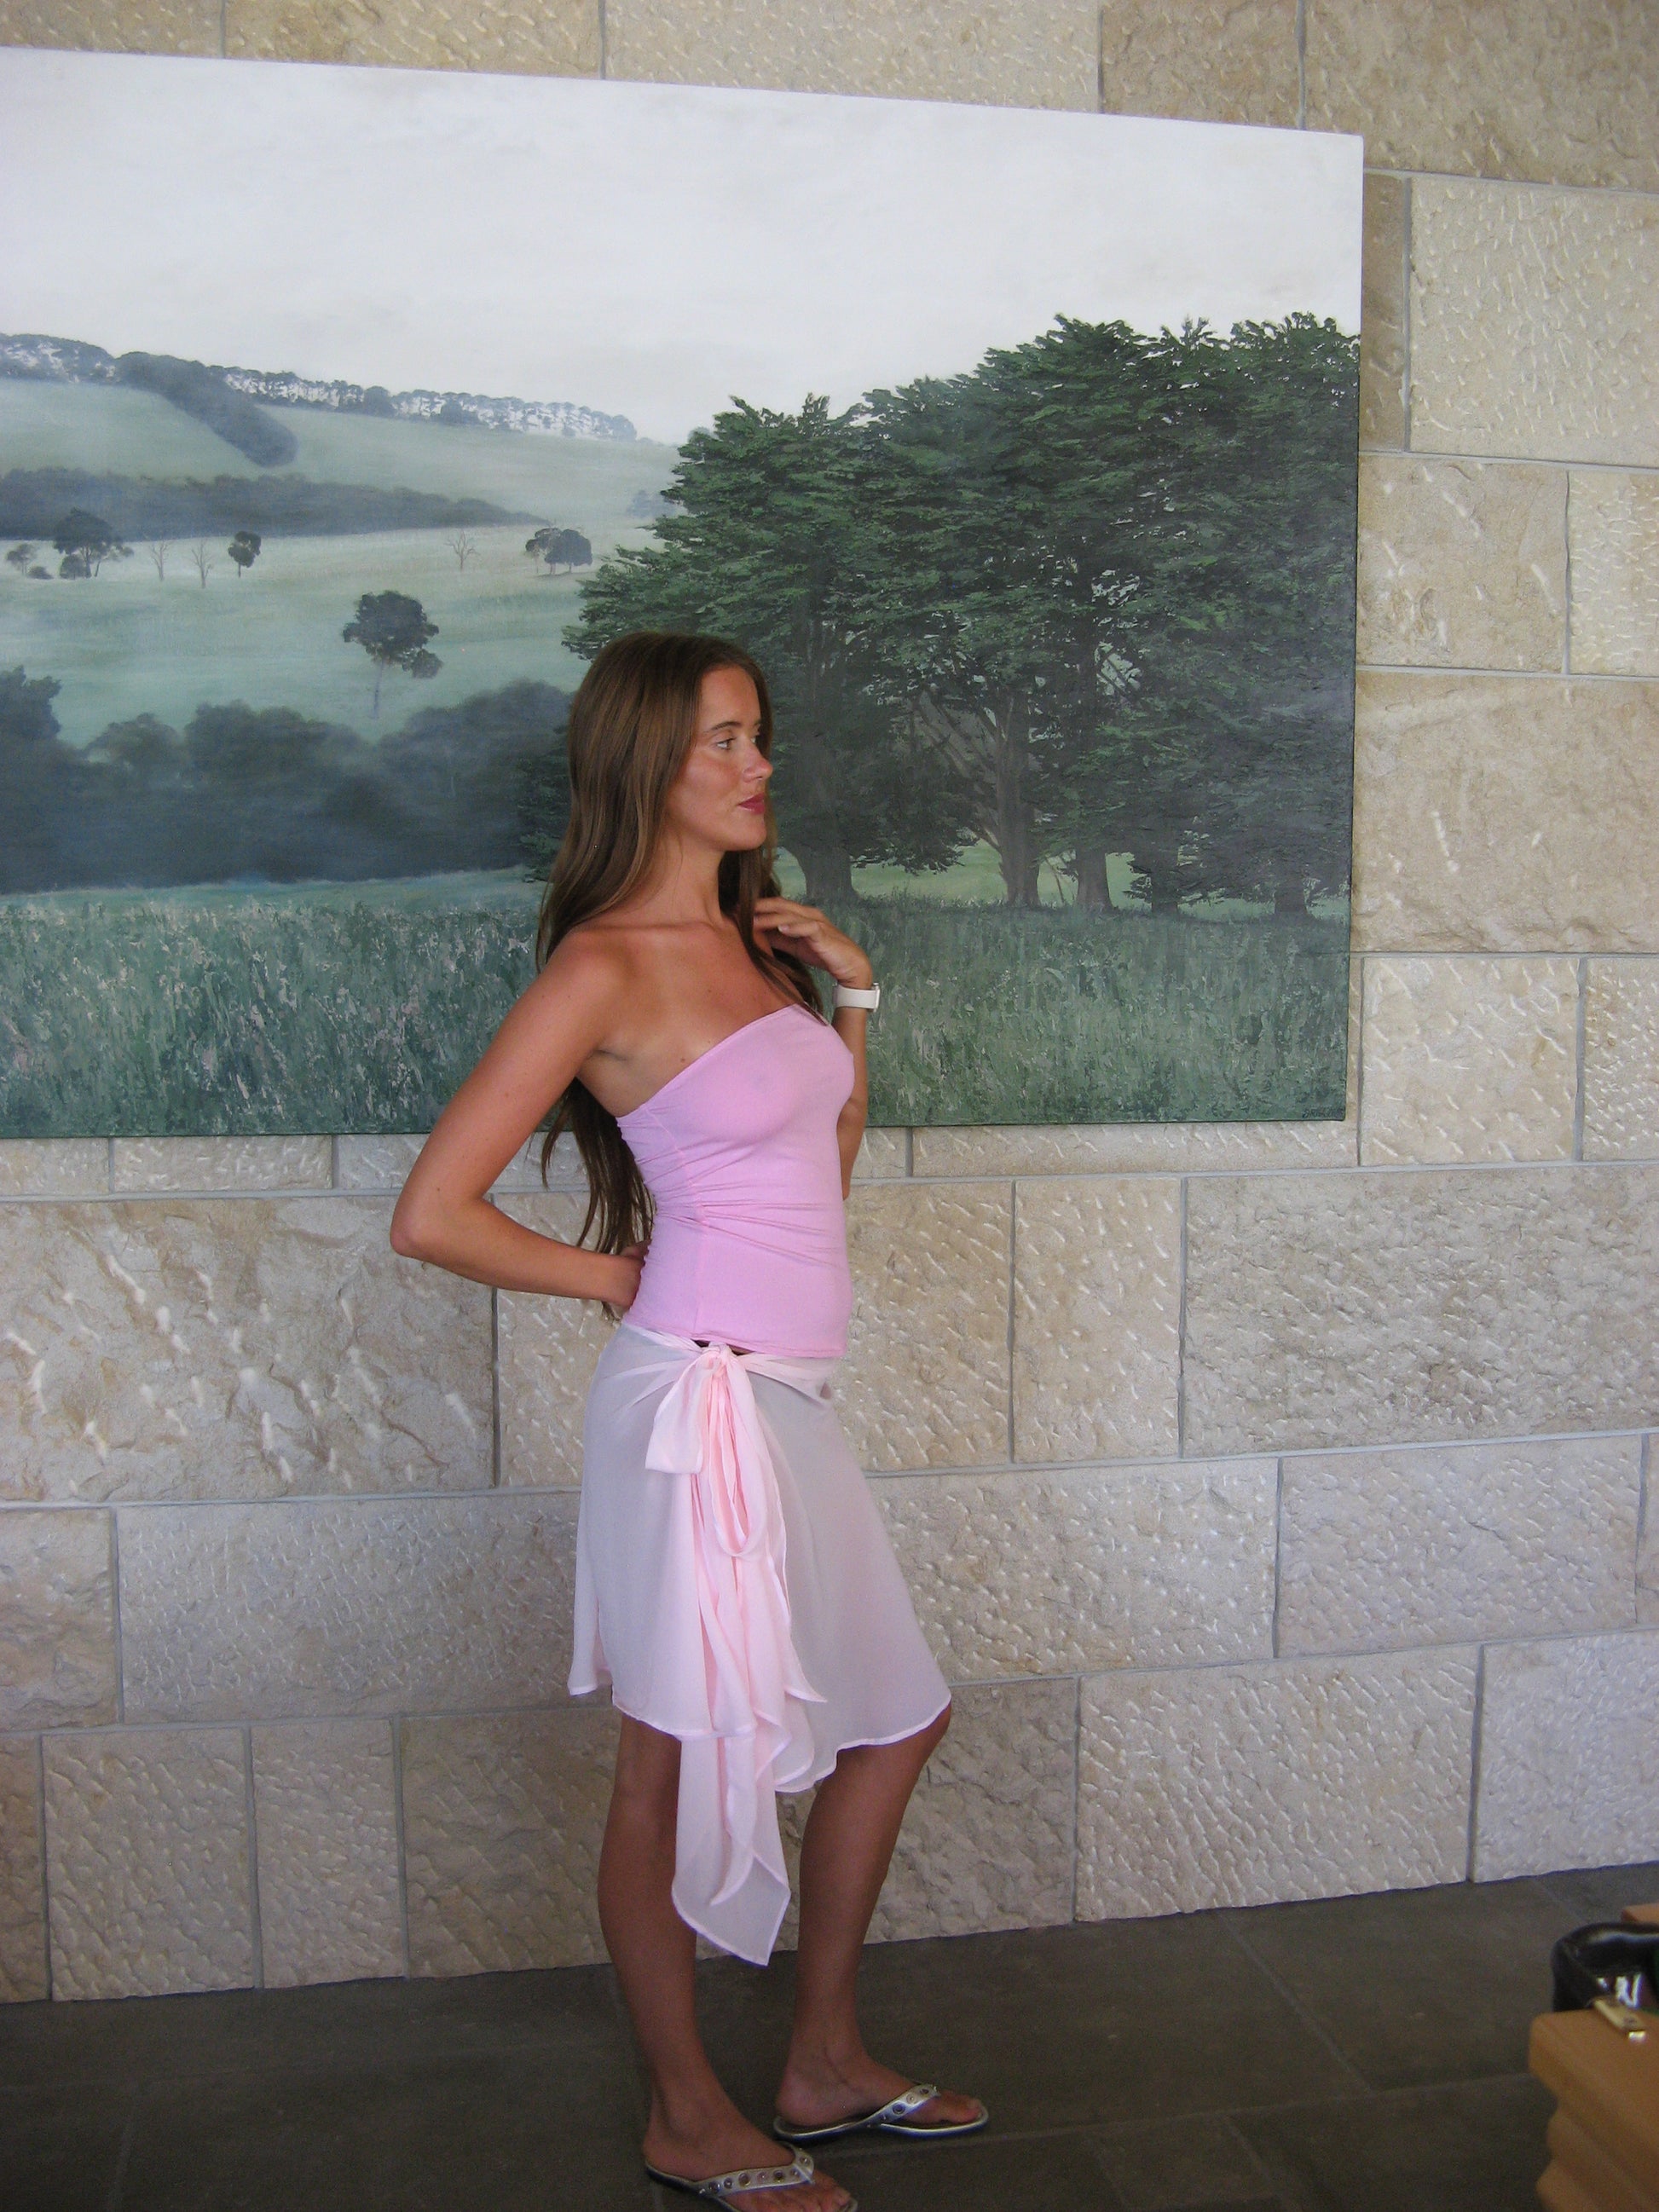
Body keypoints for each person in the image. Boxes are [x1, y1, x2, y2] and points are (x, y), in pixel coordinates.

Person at [390, 631, 986, 2209]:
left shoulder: (756, 948)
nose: (757, 763)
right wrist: (614, 1275)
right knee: (666, 1758)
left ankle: (821, 2063)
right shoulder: (604, 966)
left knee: (894, 1717)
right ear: (645, 759)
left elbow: (818, 1175)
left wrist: (855, 997)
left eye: (758, 734)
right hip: (692, 1408)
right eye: (724, 738)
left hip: (785, 1399)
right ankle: (682, 2112)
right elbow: (434, 1213)